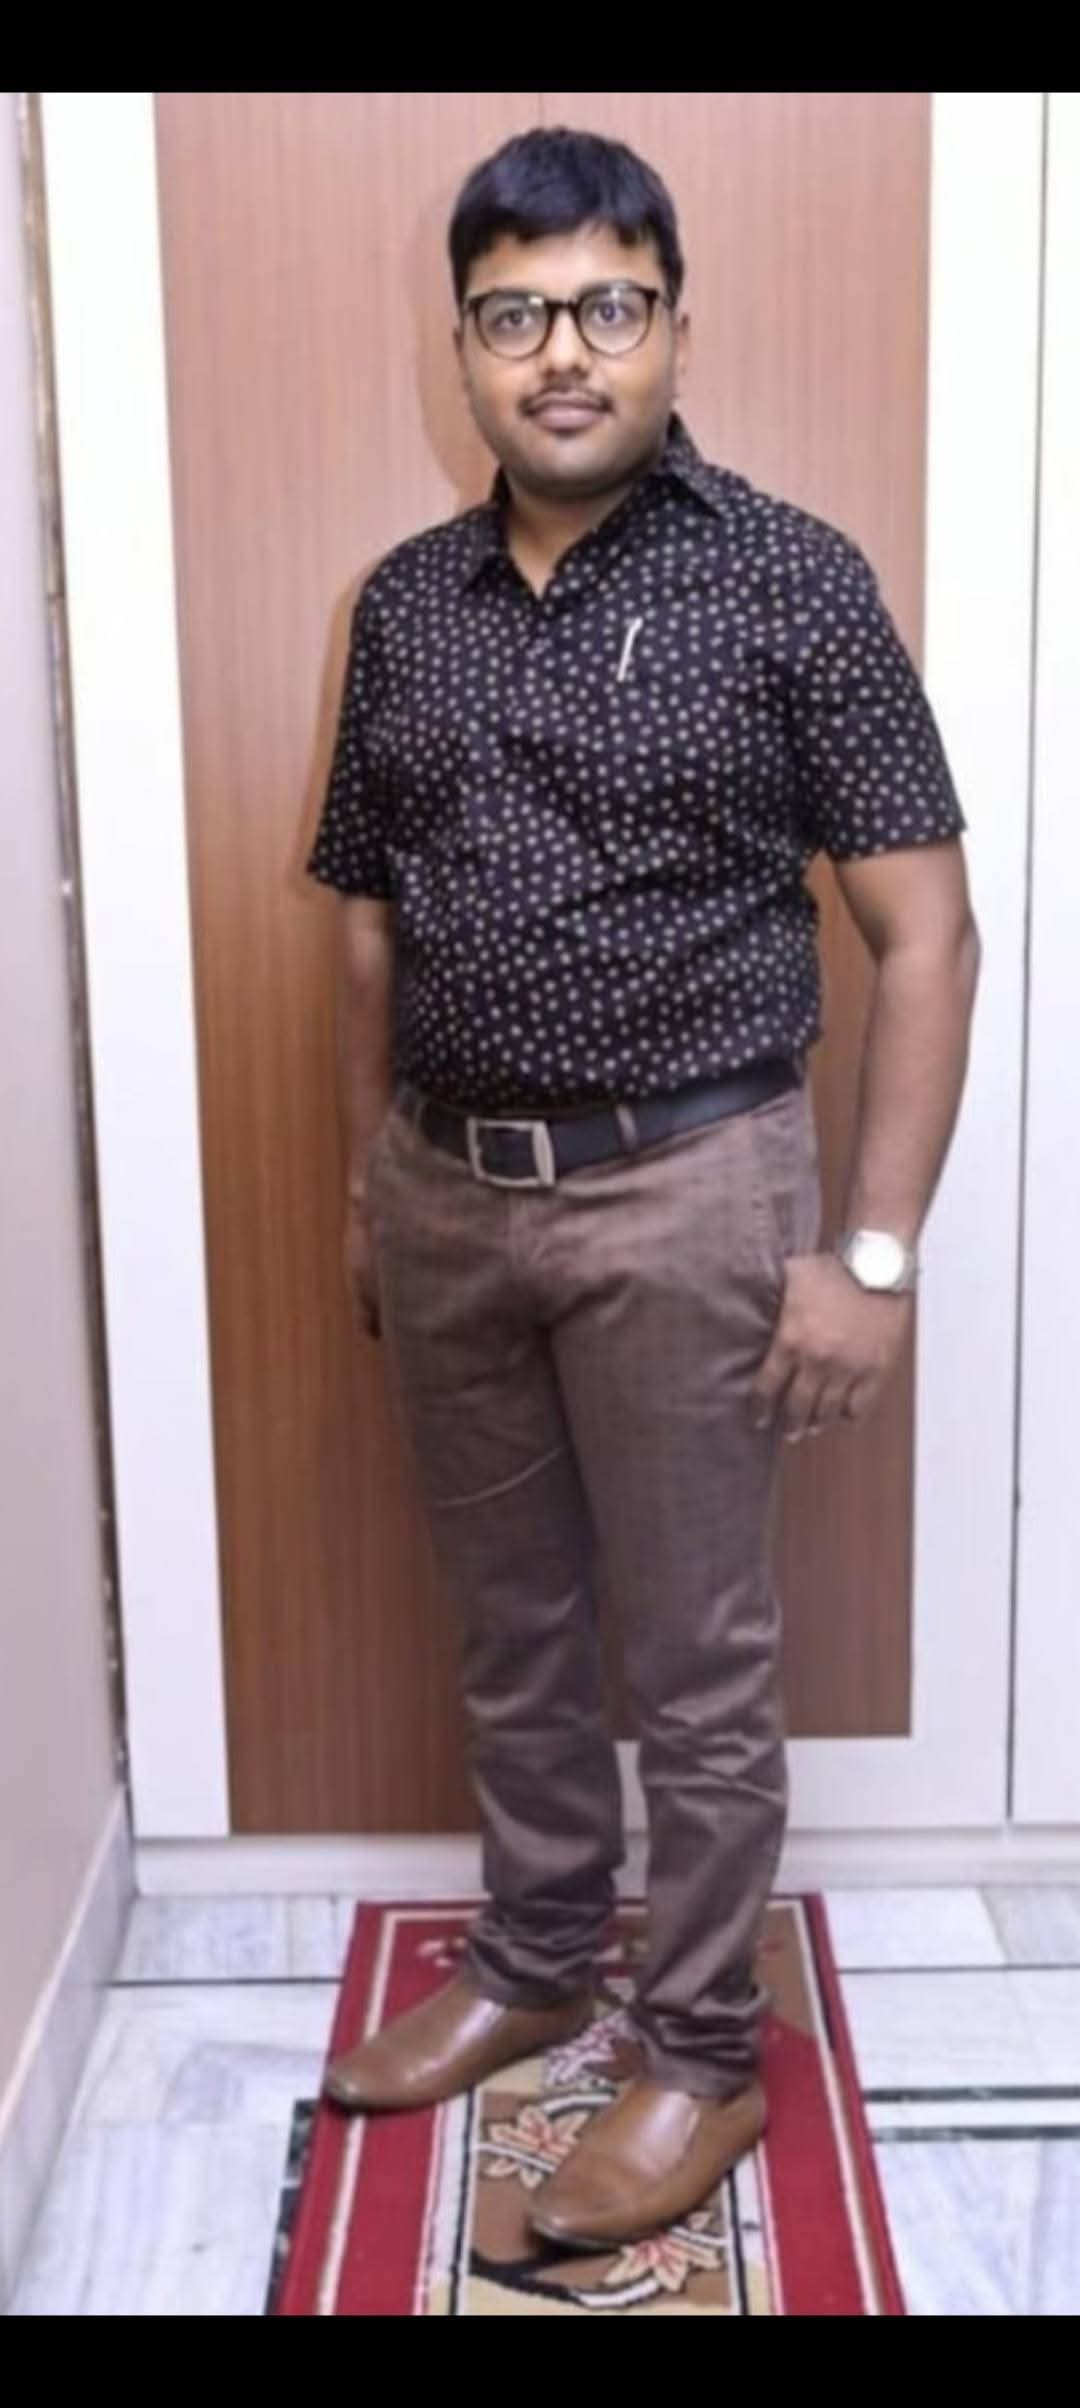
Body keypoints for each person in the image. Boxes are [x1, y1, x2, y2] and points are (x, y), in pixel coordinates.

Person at [304, 126, 979, 2249]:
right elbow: (363, 923)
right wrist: (368, 1185)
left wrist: (872, 1257)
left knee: (694, 1663)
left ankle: (697, 2049)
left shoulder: (792, 579)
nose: (562, 354)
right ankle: (531, 1959)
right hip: (447, 1189)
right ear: (463, 350)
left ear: (675, 324)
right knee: (513, 1631)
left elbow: (929, 939)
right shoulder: (401, 606)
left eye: (607, 304)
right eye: (513, 315)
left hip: (691, 1186)